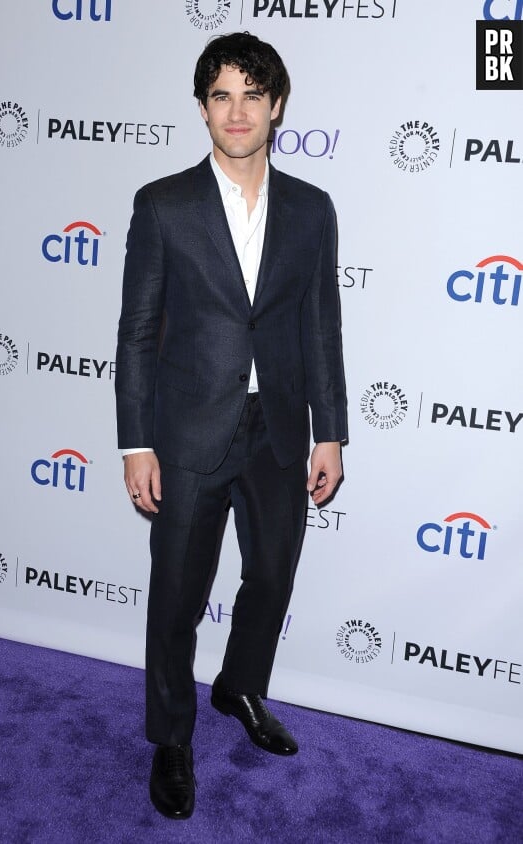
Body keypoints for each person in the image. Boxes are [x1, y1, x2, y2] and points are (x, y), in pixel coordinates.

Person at [115, 31, 347, 820]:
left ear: (277, 105)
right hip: (185, 435)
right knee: (177, 594)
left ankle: (240, 688)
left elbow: (322, 326)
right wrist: (135, 441)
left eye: (252, 94)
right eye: (221, 95)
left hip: (278, 430)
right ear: (204, 108)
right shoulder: (164, 203)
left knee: (272, 577)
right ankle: (171, 739)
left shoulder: (312, 210)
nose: (237, 110)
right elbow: (137, 331)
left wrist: (331, 431)